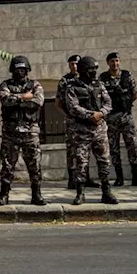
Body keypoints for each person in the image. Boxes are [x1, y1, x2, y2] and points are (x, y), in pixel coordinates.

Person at [61, 56, 117, 206]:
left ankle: (107, 192)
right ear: (82, 70)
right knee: (81, 163)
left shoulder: (99, 84)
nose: (93, 72)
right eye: (90, 69)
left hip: (99, 130)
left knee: (104, 161)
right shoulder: (72, 86)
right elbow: (73, 107)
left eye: (95, 69)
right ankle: (80, 193)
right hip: (81, 131)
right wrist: (90, 115)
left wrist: (102, 113)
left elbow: (108, 103)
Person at [0, 55, 47, 207]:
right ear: (12, 70)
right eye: (17, 70)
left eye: (23, 70)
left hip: (30, 132)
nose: (20, 73)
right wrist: (24, 97)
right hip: (10, 133)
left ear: (27, 70)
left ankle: (36, 194)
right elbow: (5, 99)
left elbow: (38, 101)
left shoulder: (35, 85)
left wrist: (17, 99)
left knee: (34, 165)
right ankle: (4, 194)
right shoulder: (5, 84)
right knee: (7, 166)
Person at [102, 52, 137, 187]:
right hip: (112, 119)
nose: (115, 63)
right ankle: (119, 177)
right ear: (108, 63)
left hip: (126, 116)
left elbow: (135, 93)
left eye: (117, 61)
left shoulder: (127, 75)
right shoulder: (103, 78)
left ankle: (136, 176)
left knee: (132, 146)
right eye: (112, 61)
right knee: (114, 149)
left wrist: (126, 104)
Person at [56, 54, 96, 189]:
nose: (74, 66)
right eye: (72, 64)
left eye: (76, 64)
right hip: (73, 121)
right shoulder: (65, 81)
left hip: (89, 121)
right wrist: (69, 117)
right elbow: (58, 103)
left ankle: (87, 177)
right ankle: (72, 179)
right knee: (72, 150)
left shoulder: (90, 79)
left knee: (86, 150)